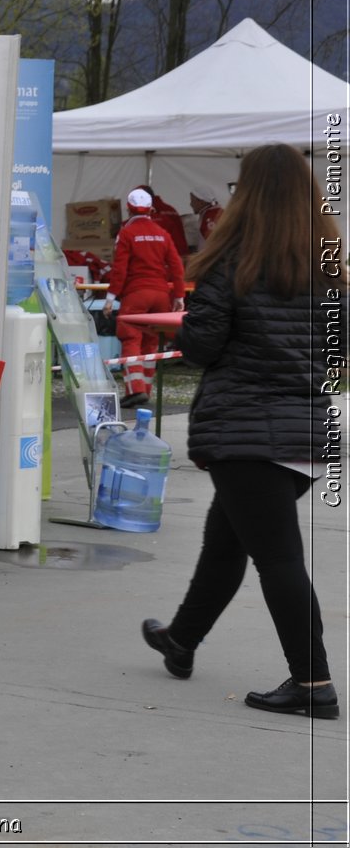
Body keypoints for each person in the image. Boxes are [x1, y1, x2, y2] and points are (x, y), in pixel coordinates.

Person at [141, 143, 344, 720]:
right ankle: (180, 641)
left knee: (277, 558)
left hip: (246, 432)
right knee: (225, 539)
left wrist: (192, 322)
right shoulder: (330, 266)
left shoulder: (231, 262)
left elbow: (201, 347)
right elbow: (338, 352)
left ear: (247, 196)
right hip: (305, 434)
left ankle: (313, 684)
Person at [102, 188, 185, 407]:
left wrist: (110, 297)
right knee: (151, 342)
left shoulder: (127, 233)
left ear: (128, 208)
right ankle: (145, 390)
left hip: (136, 294)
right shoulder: (162, 233)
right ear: (150, 208)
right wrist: (179, 296)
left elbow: (119, 269)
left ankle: (135, 390)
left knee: (131, 339)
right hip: (160, 295)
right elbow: (177, 266)